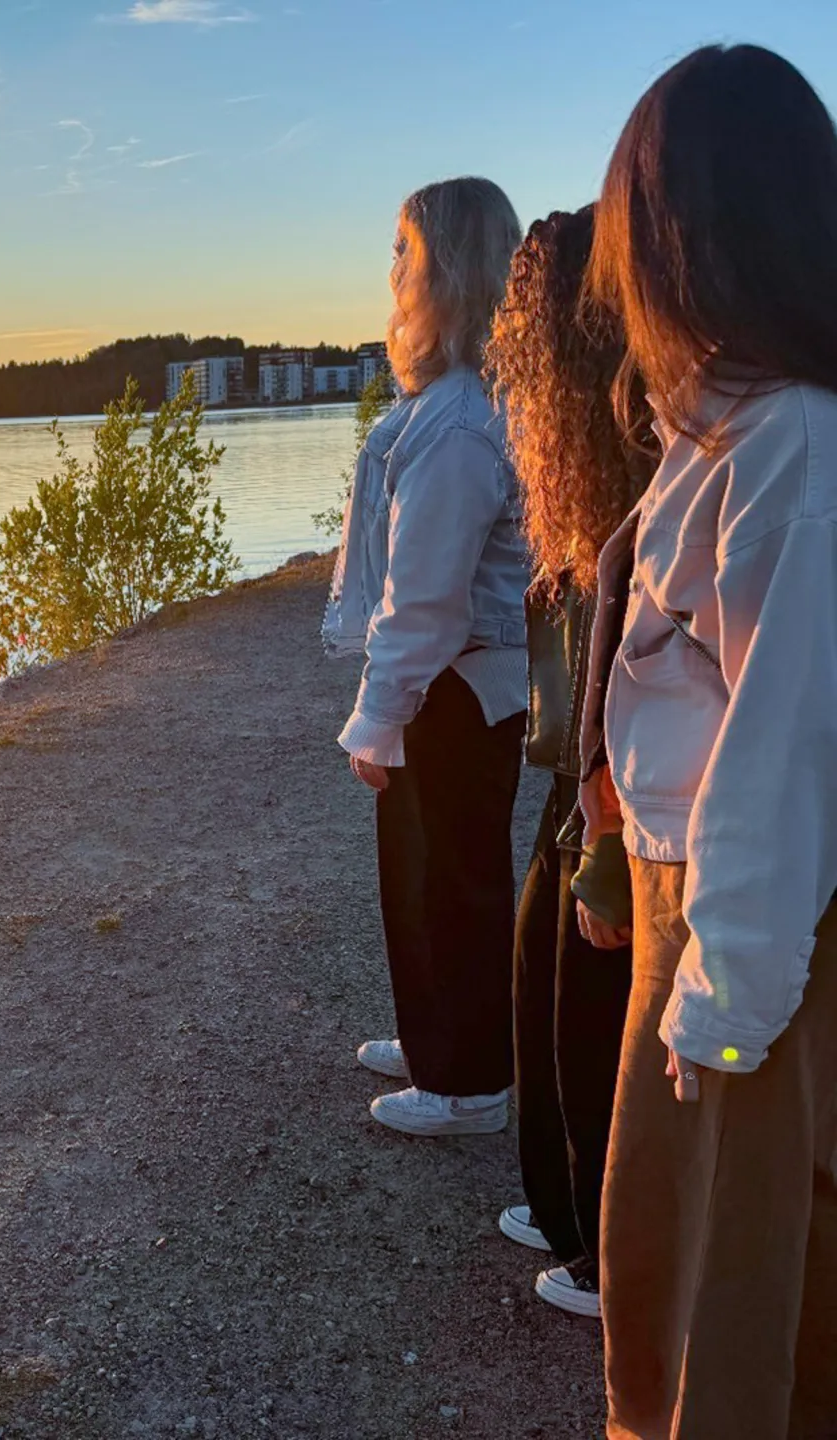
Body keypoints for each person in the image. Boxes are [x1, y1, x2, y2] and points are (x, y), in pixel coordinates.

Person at [581, 44, 837, 1437]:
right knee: (672, 1264)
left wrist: (727, 1002)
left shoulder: (793, 443)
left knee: (730, 1287)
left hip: (741, 933)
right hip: (692, 908)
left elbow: (787, 742)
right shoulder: (724, 431)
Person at [323, 177, 527, 1137]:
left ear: (443, 272)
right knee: (427, 872)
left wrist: (377, 716)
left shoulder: (457, 423)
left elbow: (427, 599)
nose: (392, 267)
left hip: (454, 689)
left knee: (451, 878)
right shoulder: (465, 402)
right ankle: (437, 1038)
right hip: (454, 686)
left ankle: (468, 1082)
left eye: (404, 248)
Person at [485, 206, 655, 1319]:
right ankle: (570, 1213)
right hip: (585, 774)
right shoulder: (613, 462)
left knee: (588, 997)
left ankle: (608, 1249)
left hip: (616, 788)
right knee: (544, 977)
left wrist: (605, 828)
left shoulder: (648, 464)